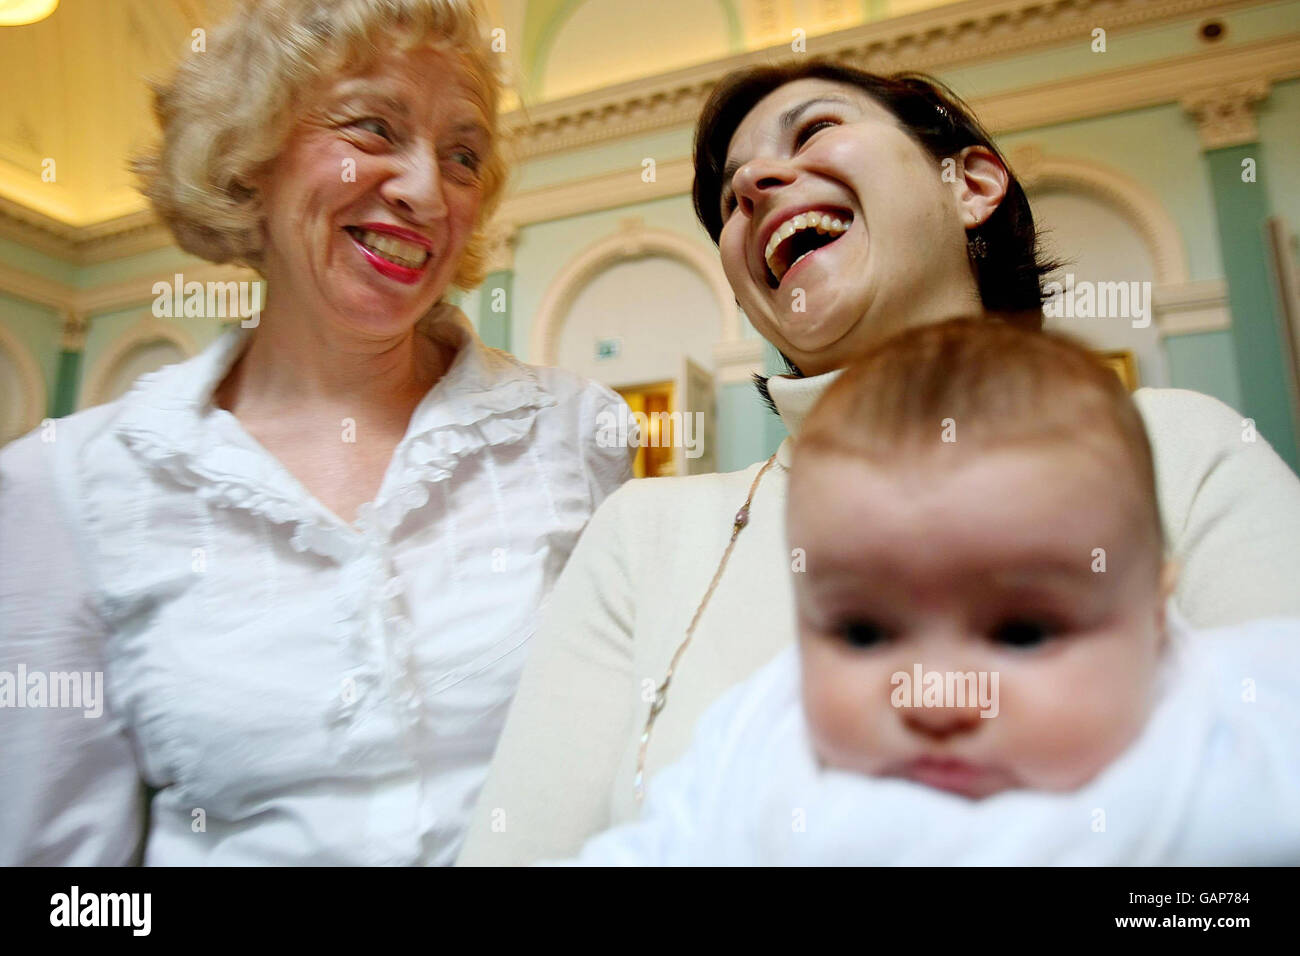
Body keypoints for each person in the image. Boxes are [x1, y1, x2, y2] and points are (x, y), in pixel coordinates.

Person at [457, 62, 1300, 865]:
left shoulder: (1182, 449)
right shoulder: (647, 537)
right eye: (730, 198)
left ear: (969, 184)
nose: (752, 188)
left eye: (815, 129)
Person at [0, 0, 632, 866]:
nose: (425, 189)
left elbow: (633, 768)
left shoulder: (575, 434)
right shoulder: (70, 485)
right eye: (373, 128)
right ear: (249, 156)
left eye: (462, 156)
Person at [556, 319, 1300, 865]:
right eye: (863, 633)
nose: (935, 696)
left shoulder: (1229, 714)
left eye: (1023, 632)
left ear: (1154, 613)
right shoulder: (763, 738)